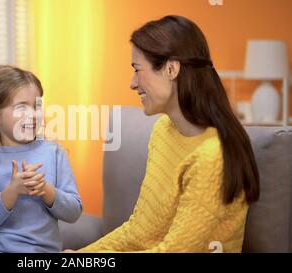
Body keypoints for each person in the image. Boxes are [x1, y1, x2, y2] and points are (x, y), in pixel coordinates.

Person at [74, 15, 260, 253]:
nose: (132, 83)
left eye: (137, 70)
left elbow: (174, 250)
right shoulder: (163, 130)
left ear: (171, 69)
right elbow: (138, 231)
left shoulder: (212, 157)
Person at [0, 65, 82, 253]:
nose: (33, 115)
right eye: (21, 107)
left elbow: (73, 212)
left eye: (37, 106)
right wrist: (12, 192)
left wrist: (45, 190)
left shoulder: (54, 153)